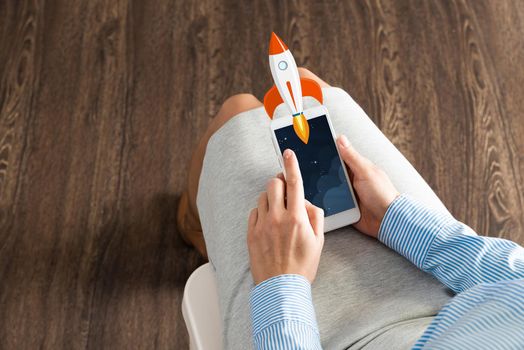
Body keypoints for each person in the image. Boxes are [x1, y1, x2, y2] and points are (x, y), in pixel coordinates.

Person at [177, 69, 524, 349]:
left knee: (236, 112)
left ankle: (196, 227)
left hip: (308, 335)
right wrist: (397, 220)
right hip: (454, 305)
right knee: (304, 85)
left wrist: (281, 283)